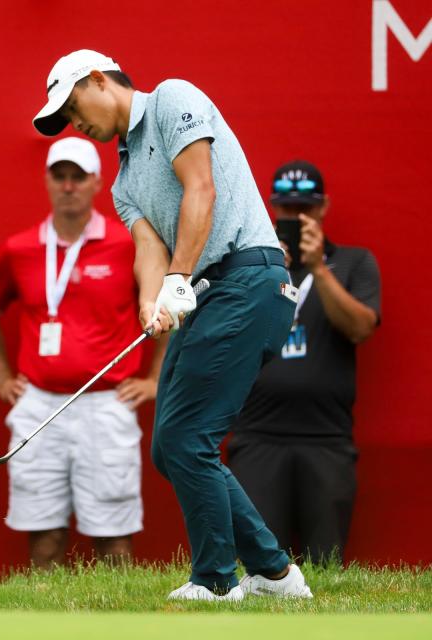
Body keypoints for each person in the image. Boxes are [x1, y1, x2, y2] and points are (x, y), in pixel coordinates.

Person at [31, 49, 312, 600]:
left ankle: (214, 580)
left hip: (248, 277)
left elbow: (200, 188)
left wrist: (180, 277)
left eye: (71, 106)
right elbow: (147, 248)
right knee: (171, 446)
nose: (74, 123)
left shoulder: (172, 100)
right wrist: (153, 298)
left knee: (189, 438)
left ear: (97, 79)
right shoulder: (122, 181)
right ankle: (275, 574)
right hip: (207, 292)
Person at [0, 137, 166, 569]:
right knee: (43, 536)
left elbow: (164, 310)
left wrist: (155, 379)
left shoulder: (126, 243)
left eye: (78, 176)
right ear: (47, 181)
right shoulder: (19, 249)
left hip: (106, 404)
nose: (68, 186)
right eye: (59, 176)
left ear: (97, 181)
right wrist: (2, 376)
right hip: (38, 404)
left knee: (113, 538)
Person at [228, 160, 381, 565]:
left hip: (326, 438)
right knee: (257, 565)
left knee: (325, 564)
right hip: (257, 434)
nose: (296, 218)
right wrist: (268, 269)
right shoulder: (252, 264)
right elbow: (231, 330)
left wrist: (317, 269)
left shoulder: (353, 263)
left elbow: (360, 328)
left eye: (306, 209)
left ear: (323, 207)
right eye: (286, 210)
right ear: (271, 209)